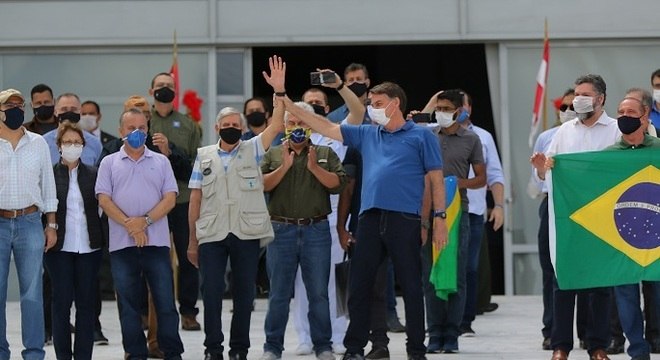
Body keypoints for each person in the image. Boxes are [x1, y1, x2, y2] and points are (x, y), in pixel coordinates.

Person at [271, 73, 448, 360]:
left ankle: (416, 351)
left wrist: (438, 219)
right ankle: (354, 349)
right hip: (368, 219)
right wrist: (285, 99)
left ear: (395, 104)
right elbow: (326, 127)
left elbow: (436, 179)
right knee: (358, 286)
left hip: (404, 219)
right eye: (370, 103)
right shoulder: (366, 133)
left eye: (378, 103)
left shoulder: (421, 135)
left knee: (412, 287)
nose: (372, 108)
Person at [258, 56, 347, 360]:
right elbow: (263, 186)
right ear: (284, 125)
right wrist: (284, 166)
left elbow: (338, 183)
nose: (296, 127)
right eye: (291, 123)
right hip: (281, 230)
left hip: (316, 231)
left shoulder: (324, 152)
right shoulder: (272, 153)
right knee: (279, 295)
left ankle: (323, 345)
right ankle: (273, 347)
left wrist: (312, 166)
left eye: (301, 123)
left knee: (319, 293)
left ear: (310, 125)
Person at [187, 91, 284, 359]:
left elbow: (276, 125)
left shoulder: (253, 148)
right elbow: (195, 198)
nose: (231, 129)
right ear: (216, 128)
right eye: (226, 126)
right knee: (212, 293)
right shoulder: (203, 155)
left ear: (242, 129)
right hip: (212, 234)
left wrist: (278, 93)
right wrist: (192, 241)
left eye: (235, 126)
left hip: (246, 232)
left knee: (244, 295)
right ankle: (213, 349)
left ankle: (239, 350)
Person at [531, 74, 621, 360]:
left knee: (600, 283)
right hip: (567, 216)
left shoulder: (616, 130)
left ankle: (597, 345)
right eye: (577, 93)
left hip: (603, 216)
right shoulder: (564, 131)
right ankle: (560, 345)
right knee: (563, 280)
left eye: (585, 94)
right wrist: (541, 168)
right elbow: (548, 173)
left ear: (601, 99)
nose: (579, 99)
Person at [96, 108, 184, 360]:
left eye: (142, 128)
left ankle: (172, 351)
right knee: (128, 304)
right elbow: (103, 199)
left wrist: (143, 222)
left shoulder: (161, 161)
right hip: (122, 246)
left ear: (148, 129)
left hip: (156, 244)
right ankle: (135, 353)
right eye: (131, 128)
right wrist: (129, 224)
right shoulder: (109, 162)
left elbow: (169, 199)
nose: (137, 132)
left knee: (165, 303)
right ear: (121, 131)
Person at [293, 73, 365, 357]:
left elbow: (358, 111)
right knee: (302, 281)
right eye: (306, 106)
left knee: (334, 280)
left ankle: (336, 335)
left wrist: (340, 86)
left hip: (331, 219)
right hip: (299, 220)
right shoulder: (289, 137)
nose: (313, 109)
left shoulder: (335, 134)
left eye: (318, 104)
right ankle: (304, 337)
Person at [418, 89, 485, 354]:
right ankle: (434, 332)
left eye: (447, 109)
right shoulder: (426, 136)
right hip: (427, 212)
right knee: (430, 275)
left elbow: (481, 178)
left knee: (456, 273)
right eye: (439, 108)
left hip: (458, 212)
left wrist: (460, 183)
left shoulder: (471, 139)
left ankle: (452, 333)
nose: (441, 113)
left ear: (459, 111)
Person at [0, 88, 57, 360]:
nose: (15, 110)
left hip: (31, 222)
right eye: (9, 106)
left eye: (19, 105)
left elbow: (48, 185)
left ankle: (34, 353)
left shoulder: (38, 142)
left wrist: (52, 224)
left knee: (32, 294)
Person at [604, 96, 660, 360]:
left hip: (656, 236)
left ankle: (656, 338)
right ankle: (637, 350)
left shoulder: (659, 149)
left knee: (657, 293)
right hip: (621, 237)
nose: (624, 116)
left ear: (644, 116)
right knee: (625, 295)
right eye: (620, 112)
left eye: (630, 112)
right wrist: (552, 168)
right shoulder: (607, 157)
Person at [44, 122, 103, 360]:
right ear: (59, 146)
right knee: (61, 303)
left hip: (89, 246)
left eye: (76, 143)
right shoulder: (49, 173)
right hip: (59, 248)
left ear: (83, 146)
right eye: (67, 142)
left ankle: (83, 356)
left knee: (86, 305)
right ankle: (63, 356)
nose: (72, 146)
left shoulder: (94, 174)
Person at [149, 72, 202, 330]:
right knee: (150, 257)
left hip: (181, 199)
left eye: (169, 86)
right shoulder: (142, 121)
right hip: (150, 203)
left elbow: (196, 165)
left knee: (187, 255)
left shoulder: (189, 125)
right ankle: (150, 313)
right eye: (160, 86)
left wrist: (171, 151)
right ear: (151, 91)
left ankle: (189, 311)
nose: (165, 90)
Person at [529, 88, 575, 350]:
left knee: (585, 273)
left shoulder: (590, 136)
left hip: (581, 205)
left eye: (573, 105)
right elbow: (537, 179)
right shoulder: (546, 137)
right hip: (552, 204)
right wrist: (540, 170)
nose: (568, 110)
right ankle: (552, 329)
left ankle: (587, 331)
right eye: (564, 106)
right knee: (550, 271)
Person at [43, 93, 103, 166]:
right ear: (55, 112)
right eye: (64, 109)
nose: (69, 113)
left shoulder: (94, 143)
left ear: (80, 112)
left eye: (73, 109)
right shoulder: (44, 142)